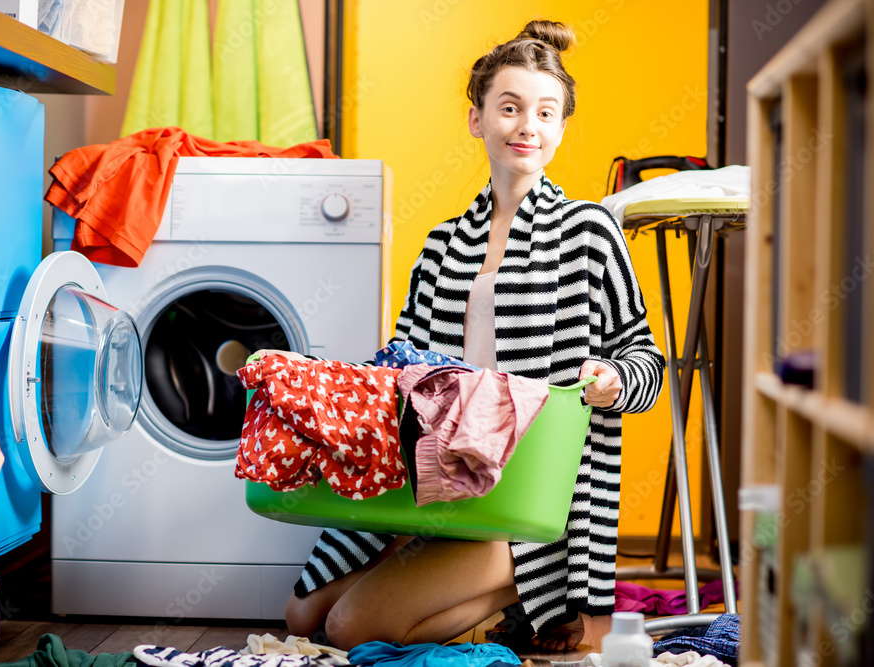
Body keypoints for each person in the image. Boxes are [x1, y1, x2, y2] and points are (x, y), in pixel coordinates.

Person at [265, 19, 665, 652]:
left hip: (524, 501)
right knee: (300, 618)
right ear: (478, 120)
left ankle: (533, 586)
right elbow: (398, 371)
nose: (525, 126)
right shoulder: (443, 245)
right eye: (508, 108)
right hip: (441, 479)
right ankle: (506, 607)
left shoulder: (588, 233)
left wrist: (616, 381)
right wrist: (315, 387)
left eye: (543, 112)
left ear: (560, 129)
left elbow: (645, 357)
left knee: (348, 629)